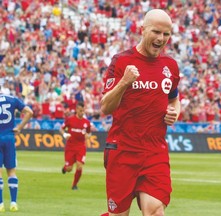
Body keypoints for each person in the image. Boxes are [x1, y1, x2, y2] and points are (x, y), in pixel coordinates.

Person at [100, 9, 181, 216]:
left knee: (155, 211)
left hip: (155, 151)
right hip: (123, 149)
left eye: (166, 34)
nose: (161, 39)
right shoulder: (121, 61)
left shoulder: (170, 66)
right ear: (142, 30)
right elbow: (105, 107)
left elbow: (174, 98)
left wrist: (175, 112)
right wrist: (124, 83)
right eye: (156, 32)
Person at [0, 86, 33, 212]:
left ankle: (1, 204)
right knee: (11, 171)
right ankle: (13, 203)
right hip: (9, 138)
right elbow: (29, 112)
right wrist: (19, 127)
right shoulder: (12, 99)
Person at [60, 102, 91, 190]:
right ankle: (65, 168)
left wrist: (88, 136)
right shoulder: (70, 120)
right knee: (69, 169)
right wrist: (65, 135)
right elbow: (61, 129)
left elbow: (89, 133)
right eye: (80, 110)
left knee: (79, 165)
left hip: (81, 147)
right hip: (70, 147)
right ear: (77, 110)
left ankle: (74, 185)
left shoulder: (86, 122)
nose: (82, 112)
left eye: (83, 111)